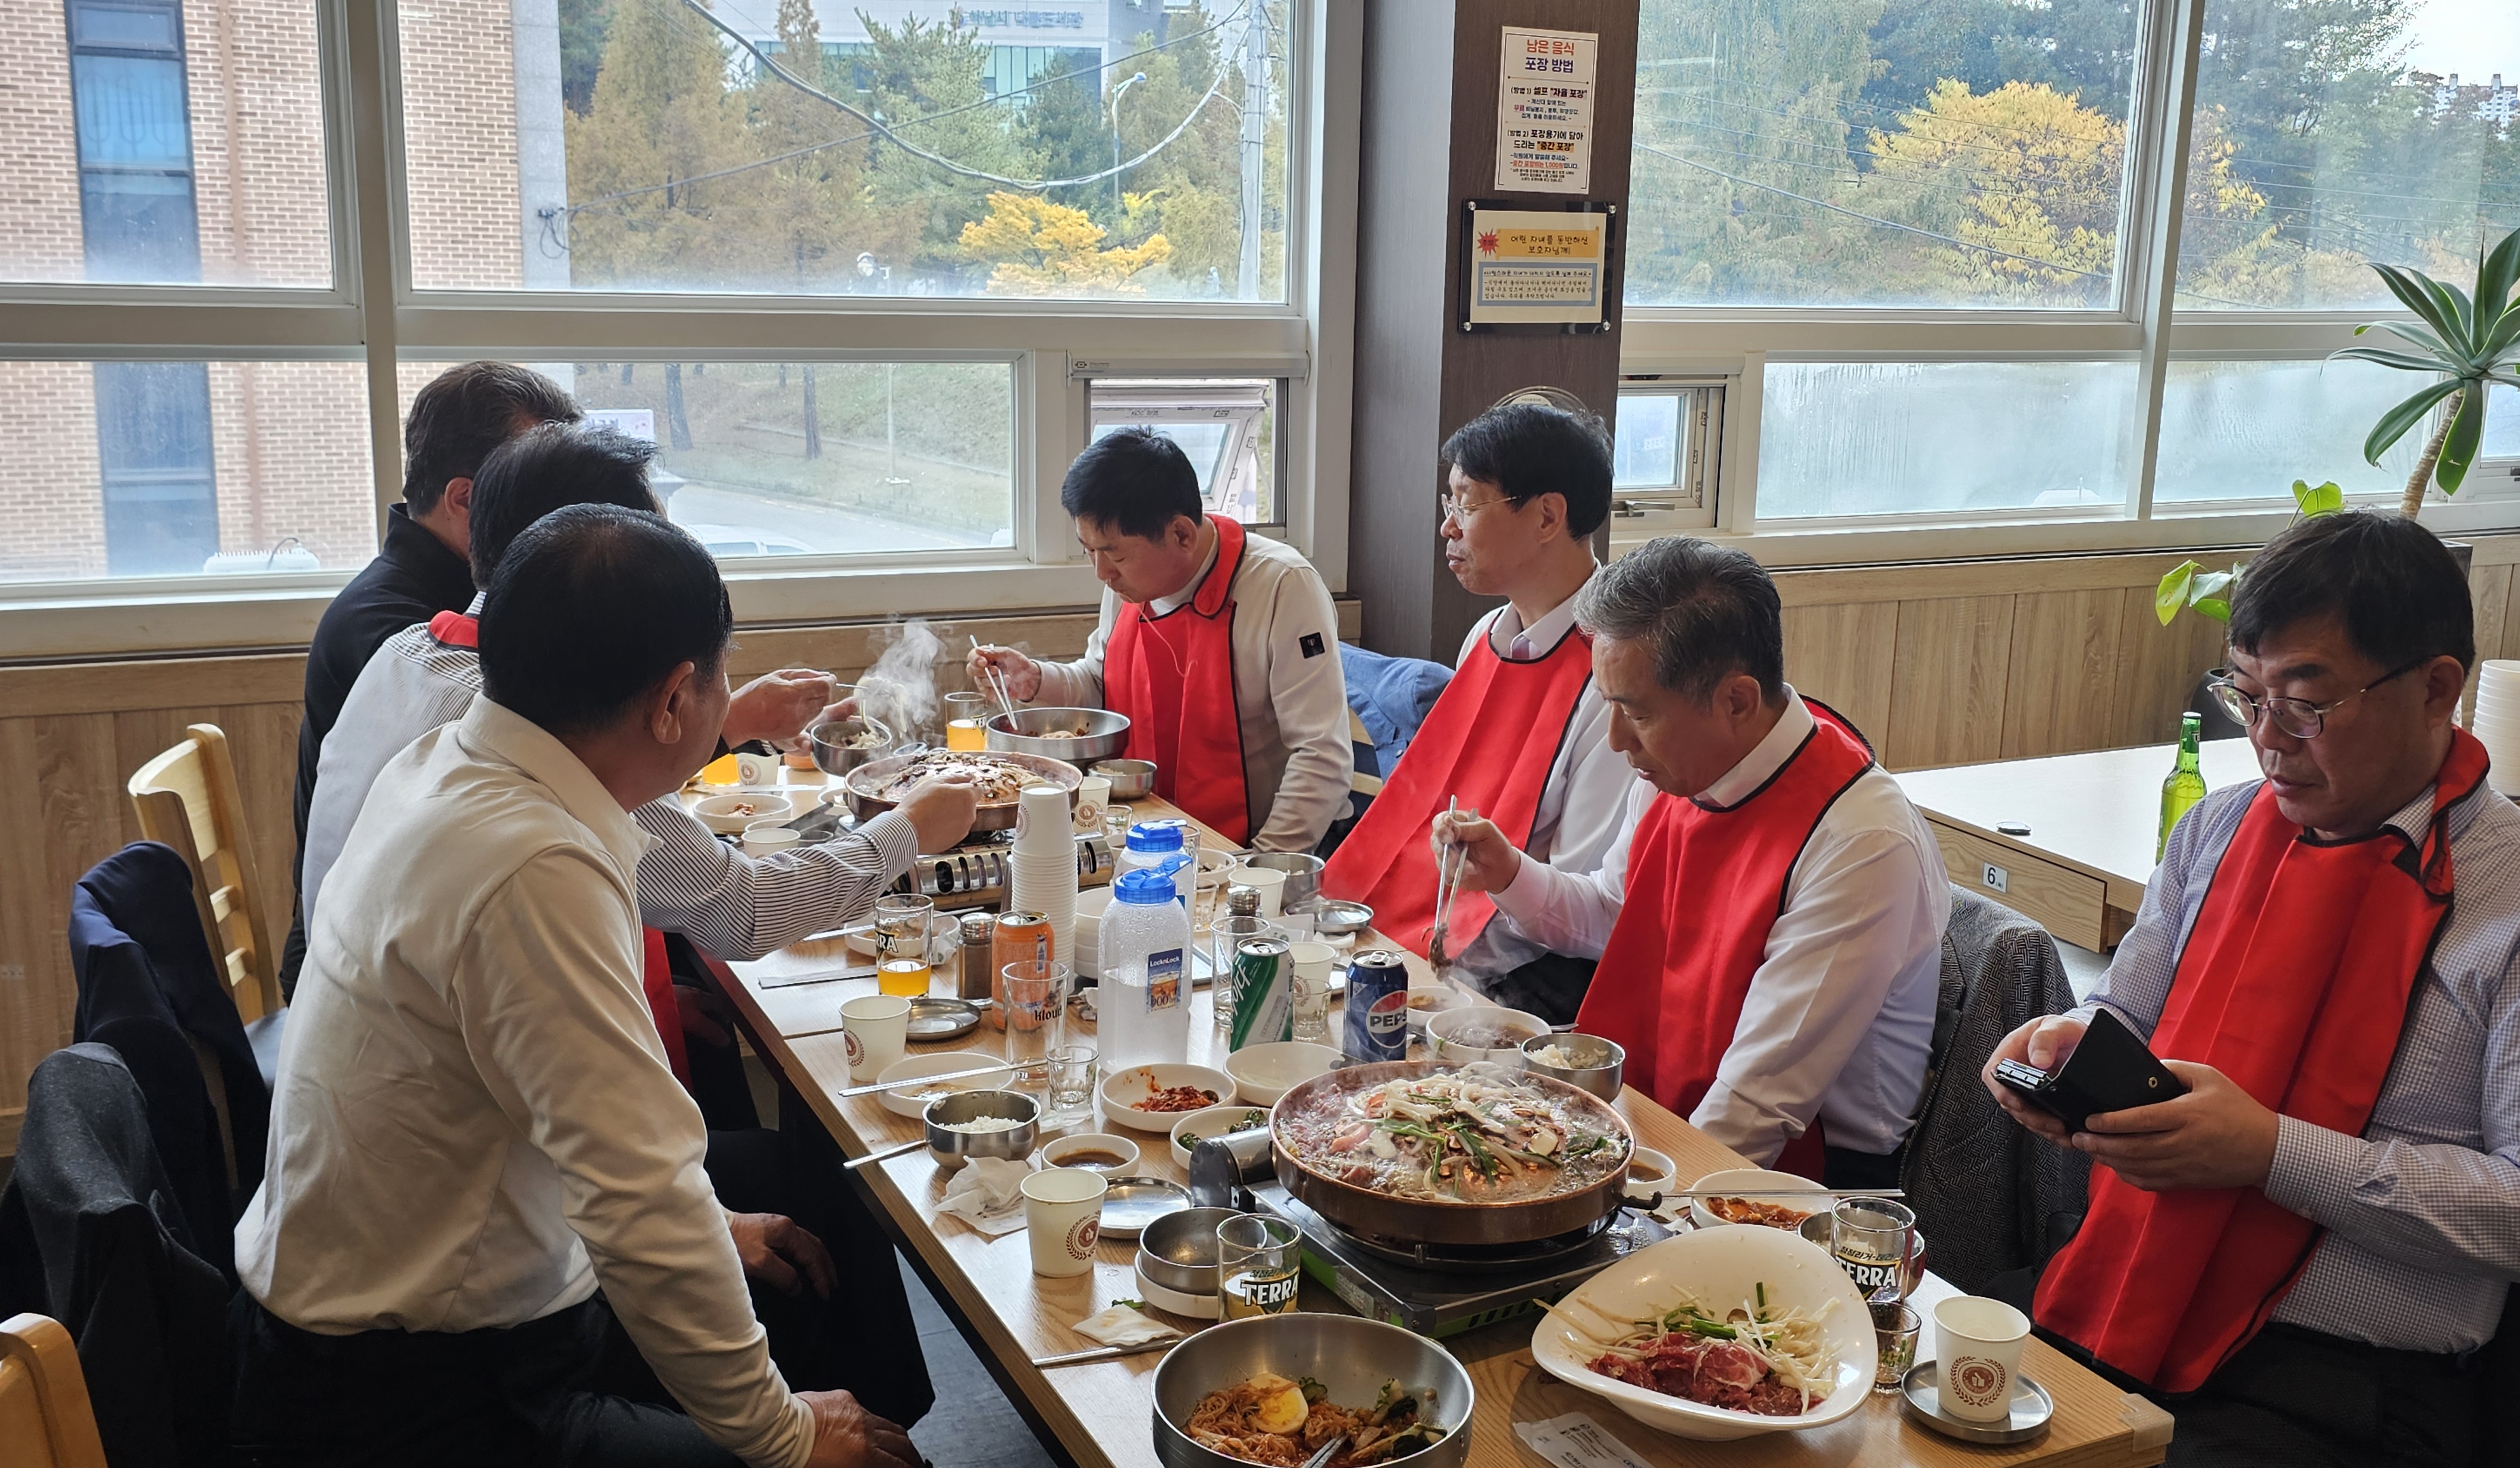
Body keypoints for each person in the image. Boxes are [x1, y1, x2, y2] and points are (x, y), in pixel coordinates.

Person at [233, 505, 915, 1467]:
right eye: (722, 676)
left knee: (797, 1272)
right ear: (676, 700)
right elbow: (635, 1197)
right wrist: (785, 1438)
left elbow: (552, 1114)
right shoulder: (531, 866)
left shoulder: (457, 761)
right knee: (832, 1437)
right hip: (418, 1395)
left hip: (402, 1309)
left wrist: (715, 1226)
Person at [1982, 511, 2520, 1467]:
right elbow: (2125, 1014)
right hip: (2126, 1288)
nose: (2269, 741)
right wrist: (2059, 1046)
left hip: (2342, 1384)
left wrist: (2269, 1153)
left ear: (2436, 689)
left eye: (2308, 704)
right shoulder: (2218, 832)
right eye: (2247, 696)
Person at [301, 420, 978, 976]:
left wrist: (731, 720)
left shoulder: (412, 650)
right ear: (582, 561)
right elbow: (742, 911)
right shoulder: (521, 718)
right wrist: (910, 826)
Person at [1434, 538, 1947, 1185]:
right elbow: (1617, 914)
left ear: (1736, 700)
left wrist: (1611, 1200)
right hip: (1662, 1112)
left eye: (1637, 713)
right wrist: (1508, 873)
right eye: (1609, 706)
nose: (1617, 741)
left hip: (1806, 1178)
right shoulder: (1684, 760)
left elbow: (1758, 1106)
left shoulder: (1860, 841)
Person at [1320, 402, 1635, 1022]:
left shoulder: (1612, 677)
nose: (1448, 528)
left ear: (1547, 516)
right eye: (1449, 505)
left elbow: (1579, 910)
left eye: (1466, 504)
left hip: (1514, 982)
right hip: (1419, 942)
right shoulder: (1488, 634)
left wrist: (1436, 981)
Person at [282, 361, 580, 998]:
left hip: (405, 930)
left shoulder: (448, 599)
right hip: (361, 973)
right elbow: (550, 772)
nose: (573, 524)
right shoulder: (402, 633)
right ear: (467, 499)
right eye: (547, 497)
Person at [968, 427, 1352, 851]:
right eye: (1088, 550)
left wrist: (1260, 870)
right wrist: (1035, 679)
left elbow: (1322, 758)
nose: (1101, 572)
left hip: (1250, 847)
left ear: (1182, 535)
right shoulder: (1130, 581)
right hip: (1145, 829)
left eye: (1113, 554)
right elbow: (1101, 682)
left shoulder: (1282, 586)